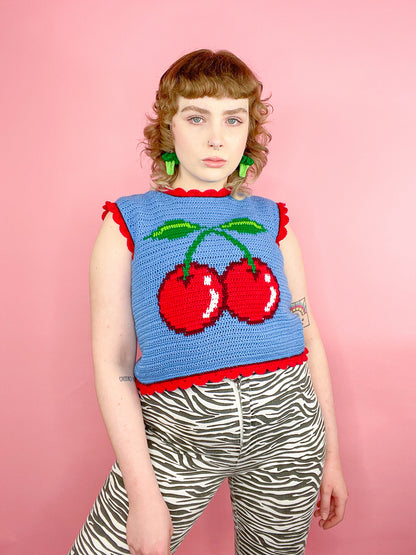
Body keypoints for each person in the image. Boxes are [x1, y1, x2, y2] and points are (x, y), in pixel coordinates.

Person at [68, 49, 348, 555]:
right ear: (168, 128)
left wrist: (331, 455)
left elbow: (307, 334)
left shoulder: (270, 219)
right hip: (177, 437)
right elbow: (112, 365)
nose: (217, 137)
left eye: (233, 119)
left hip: (289, 432)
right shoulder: (127, 222)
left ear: (249, 131)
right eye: (197, 117)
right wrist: (143, 494)